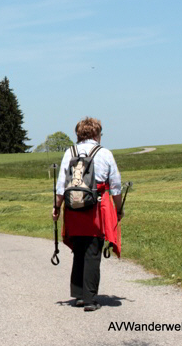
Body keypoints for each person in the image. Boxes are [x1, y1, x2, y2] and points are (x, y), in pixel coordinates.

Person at [52, 117, 123, 312]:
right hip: (96, 208)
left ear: (79, 134)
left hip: (73, 208)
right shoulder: (105, 153)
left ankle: (79, 294)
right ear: (97, 133)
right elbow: (115, 186)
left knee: (79, 250)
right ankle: (90, 299)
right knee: (93, 252)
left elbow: (61, 185)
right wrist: (118, 210)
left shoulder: (69, 152)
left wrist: (56, 207)